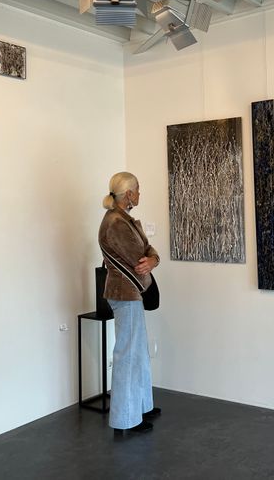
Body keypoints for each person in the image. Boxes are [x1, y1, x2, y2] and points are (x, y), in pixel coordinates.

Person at [98, 172, 161, 435]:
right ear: (129, 194)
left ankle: (142, 406)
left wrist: (154, 259)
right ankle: (125, 418)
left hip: (131, 293)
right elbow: (139, 259)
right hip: (125, 294)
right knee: (127, 355)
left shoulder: (124, 219)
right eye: (138, 189)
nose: (140, 193)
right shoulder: (116, 223)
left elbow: (148, 250)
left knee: (138, 352)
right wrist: (151, 259)